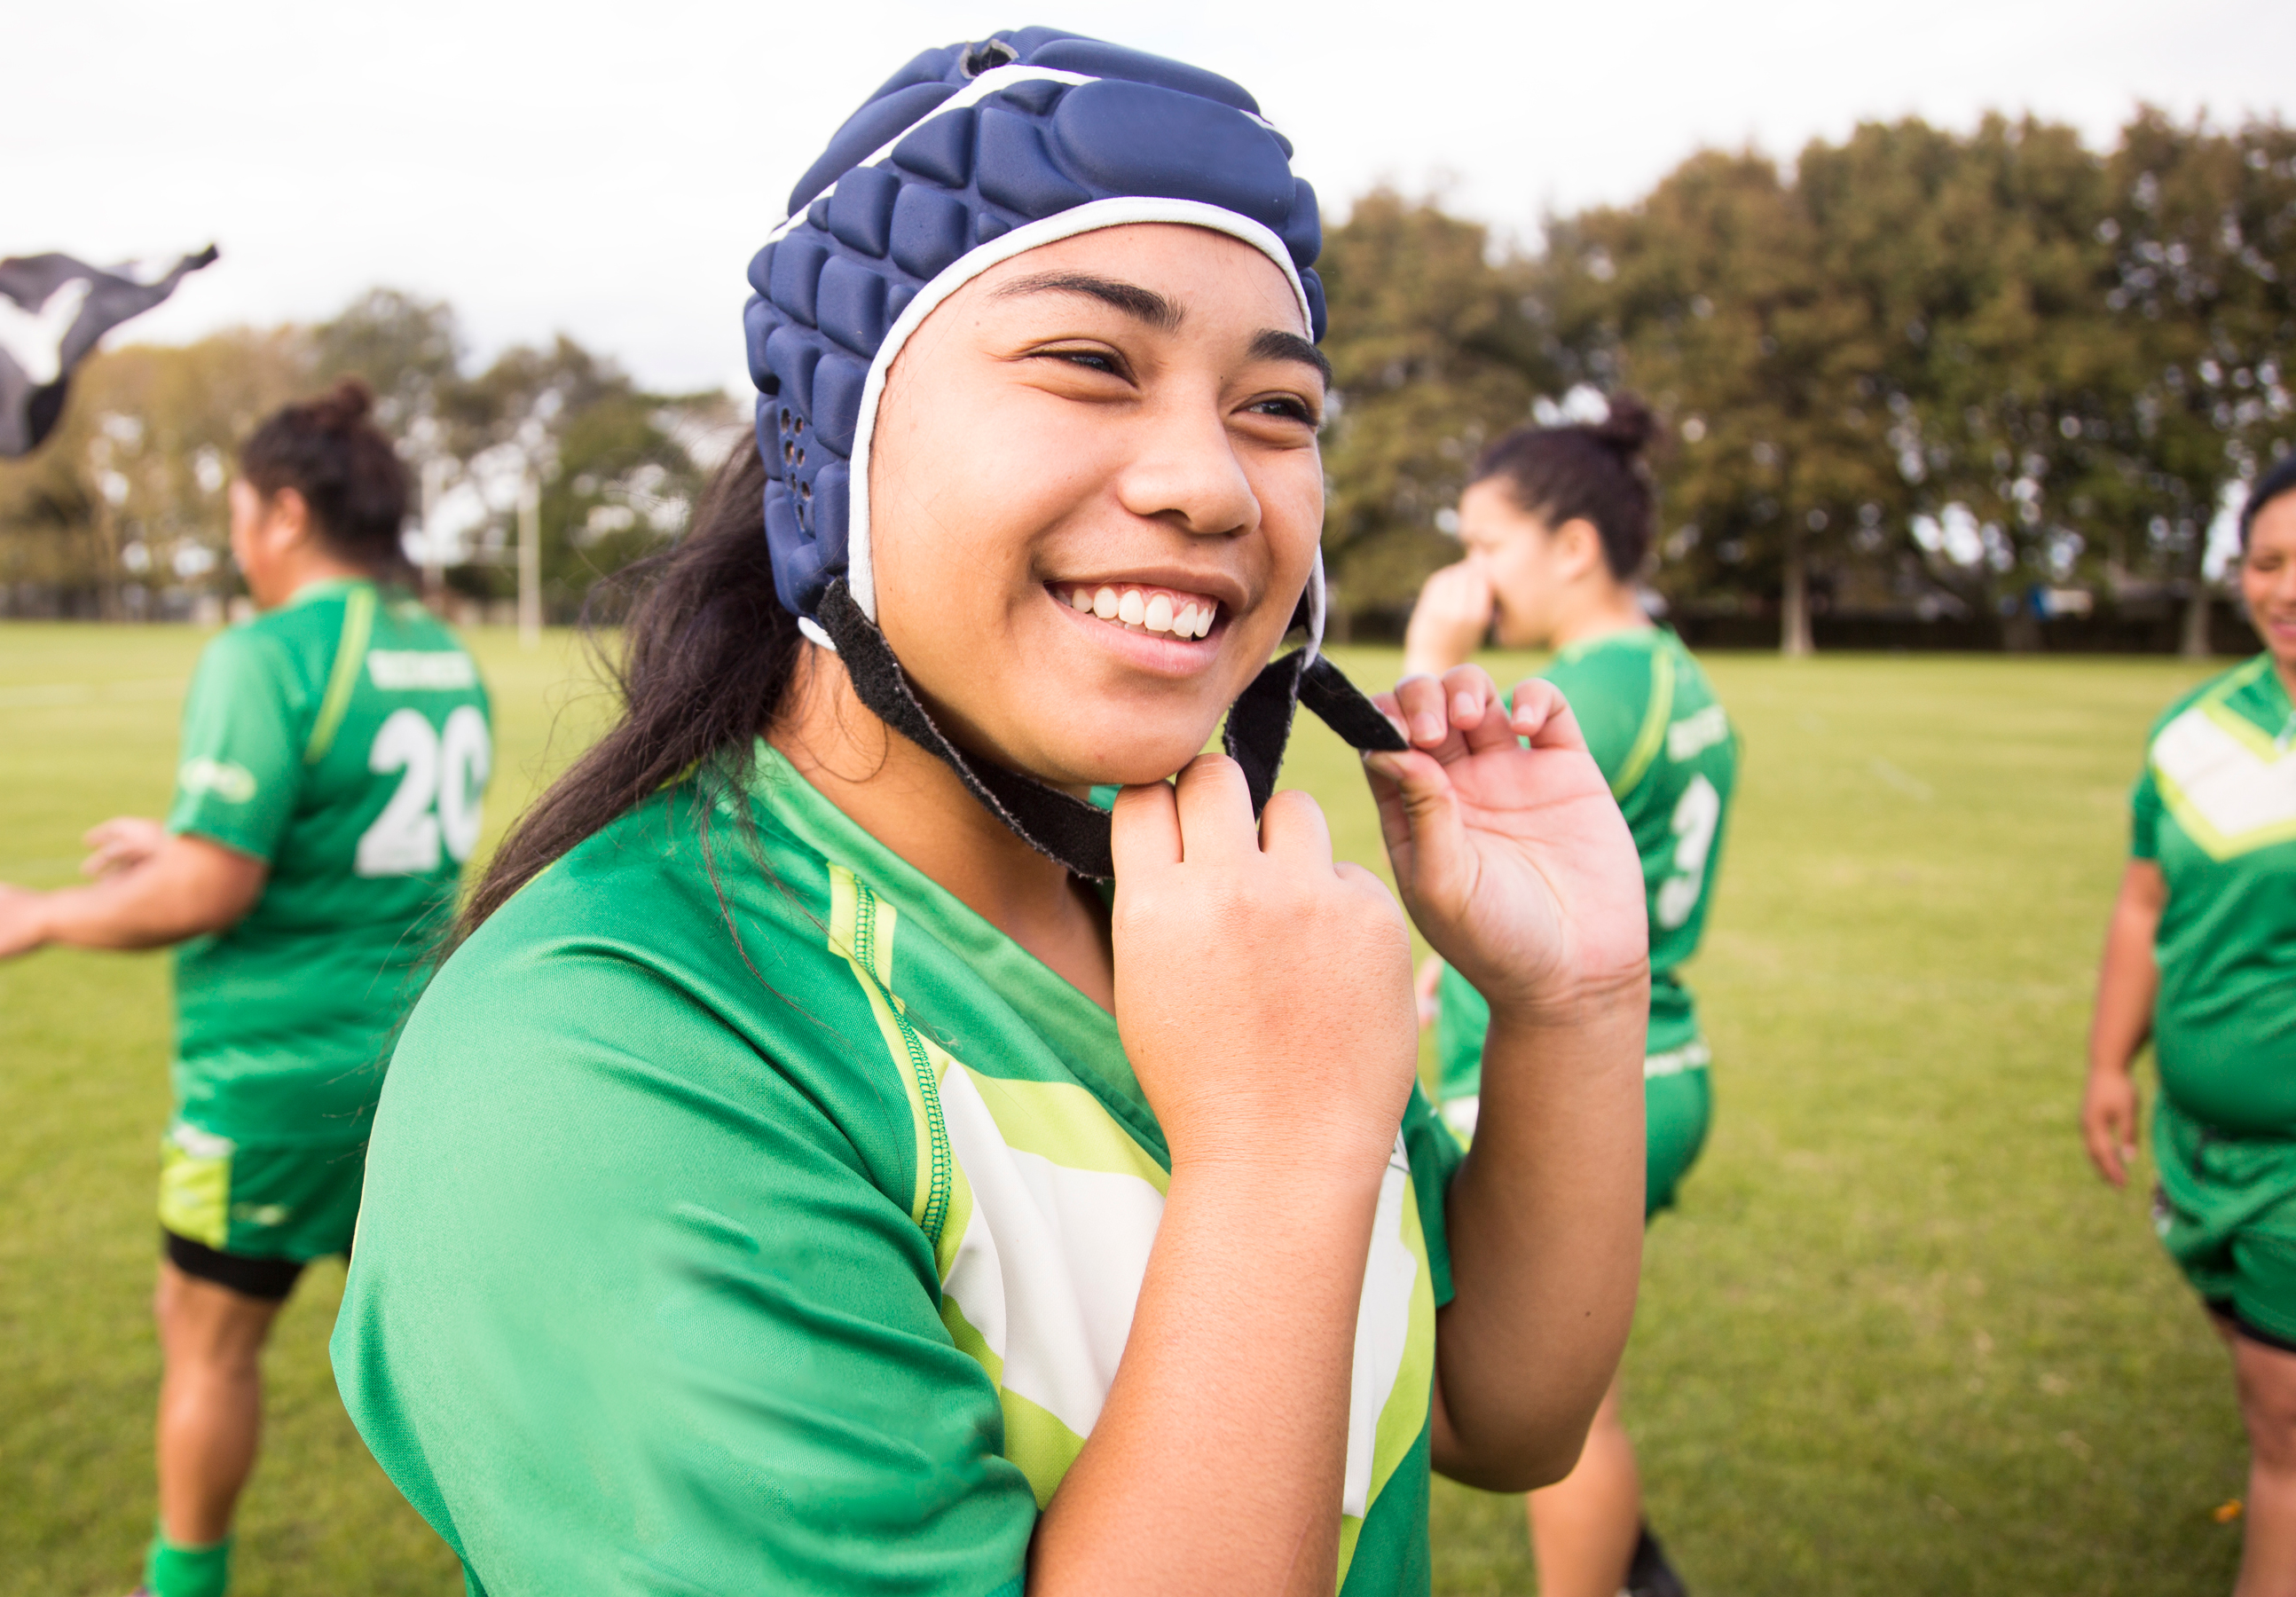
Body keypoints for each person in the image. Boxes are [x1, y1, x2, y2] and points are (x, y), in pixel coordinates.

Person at [332, 29, 1651, 1597]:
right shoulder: (591, 1062)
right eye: (1093, 364)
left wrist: (1572, 1002)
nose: (1214, 485)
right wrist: (1276, 1157)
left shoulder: (1203, 907)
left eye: (1279, 408)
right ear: (829, 448)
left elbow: (1506, 1411)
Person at [0, 380, 491, 1597]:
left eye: (235, 510)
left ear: (281, 512)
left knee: (208, 1344)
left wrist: (40, 914)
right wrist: (176, 843)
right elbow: (340, 834)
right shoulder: (442, 652)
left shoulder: (267, 652)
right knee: (443, 1363)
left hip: (272, 1082)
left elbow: (210, 893)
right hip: (419, 1065)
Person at [1402, 397, 1735, 1597]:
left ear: (1573, 547)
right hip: (1662, 1056)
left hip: (1583, 1072)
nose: (1473, 576)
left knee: (1554, 1414)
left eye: (1488, 547)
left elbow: (1433, 814)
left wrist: (1430, 658)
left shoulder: (1586, 695)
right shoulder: (1670, 675)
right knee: (1580, 1382)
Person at [2084, 452, 2296, 1597]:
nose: (2289, 588)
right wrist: (2110, 1062)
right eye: (2270, 561)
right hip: (2199, 1154)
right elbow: (2142, 905)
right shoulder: (2192, 732)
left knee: (2284, 1435)